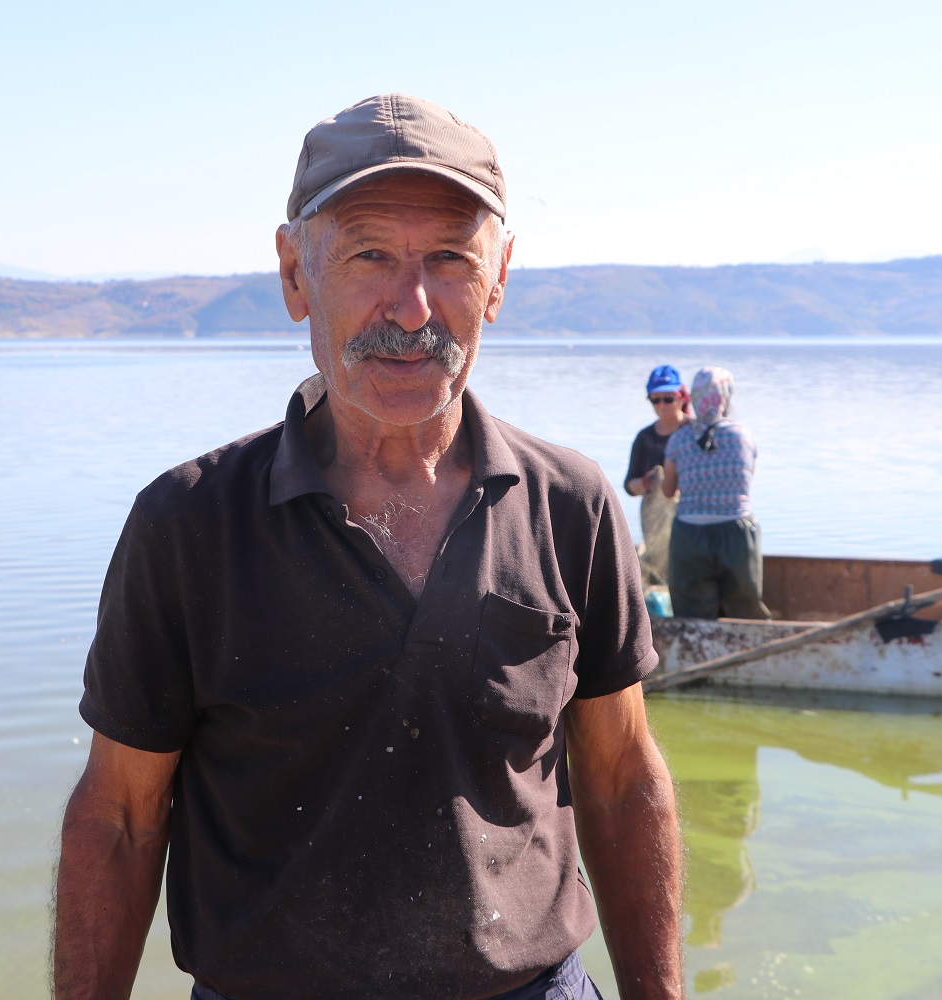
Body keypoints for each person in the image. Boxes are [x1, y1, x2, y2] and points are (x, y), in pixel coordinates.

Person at [52, 94, 683, 1000]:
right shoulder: (187, 526)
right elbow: (117, 816)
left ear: (499, 279)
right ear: (294, 272)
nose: (411, 304)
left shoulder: (571, 505)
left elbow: (623, 782)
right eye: (370, 254)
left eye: (450, 259)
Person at [660, 366, 771, 620]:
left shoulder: (679, 440)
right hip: (737, 533)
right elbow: (745, 480)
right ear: (725, 397)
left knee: (691, 614)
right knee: (743, 611)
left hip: (690, 535)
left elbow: (668, 491)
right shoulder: (743, 436)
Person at [624, 365, 690, 587]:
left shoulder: (694, 431)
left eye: (668, 399)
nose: (662, 405)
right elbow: (629, 486)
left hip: (689, 514)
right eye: (656, 400)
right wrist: (645, 482)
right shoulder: (645, 438)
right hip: (654, 518)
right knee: (658, 567)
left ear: (680, 397)